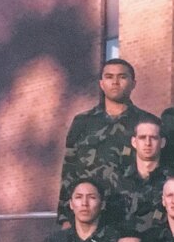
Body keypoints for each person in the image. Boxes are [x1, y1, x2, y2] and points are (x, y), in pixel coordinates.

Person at [59, 58, 154, 220]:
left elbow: (159, 172)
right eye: (109, 77)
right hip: (90, 217)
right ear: (101, 84)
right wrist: (65, 217)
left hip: (133, 217)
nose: (115, 82)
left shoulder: (148, 123)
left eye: (122, 77)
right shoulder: (83, 122)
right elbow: (69, 170)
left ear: (133, 84)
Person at [107, 117, 169, 232]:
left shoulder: (173, 181)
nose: (148, 143)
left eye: (153, 138)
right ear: (134, 142)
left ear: (162, 142)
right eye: (142, 137)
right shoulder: (115, 178)